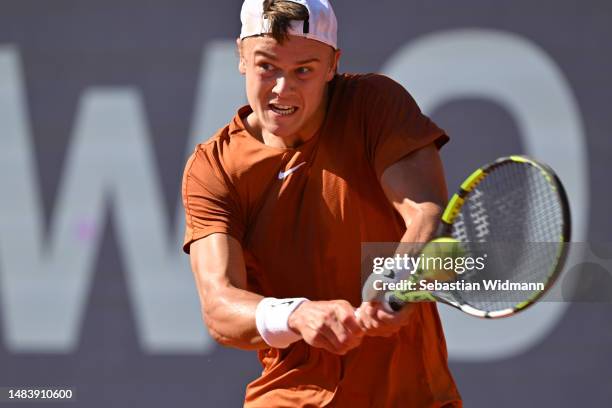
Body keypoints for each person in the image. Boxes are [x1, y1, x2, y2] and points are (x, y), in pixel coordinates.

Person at [181, 0, 462, 406]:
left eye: (304, 71)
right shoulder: (214, 168)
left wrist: (399, 281)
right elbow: (220, 306)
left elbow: (427, 213)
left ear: (332, 66)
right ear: (241, 57)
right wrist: (295, 314)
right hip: (291, 397)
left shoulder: (375, 106)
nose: (282, 89)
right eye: (267, 67)